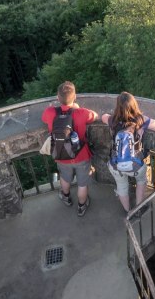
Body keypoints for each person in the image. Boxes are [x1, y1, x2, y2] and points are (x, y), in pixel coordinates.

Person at [101, 92, 155, 213]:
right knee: (141, 181)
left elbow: (103, 116)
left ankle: (128, 211)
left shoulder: (112, 120)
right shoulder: (140, 120)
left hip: (115, 165)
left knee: (122, 187)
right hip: (135, 165)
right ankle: (139, 208)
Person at [42, 81, 98, 217]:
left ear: (57, 97)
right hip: (81, 155)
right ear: (75, 97)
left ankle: (66, 197)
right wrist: (76, 107)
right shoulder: (81, 113)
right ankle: (81, 206)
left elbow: (44, 119)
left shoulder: (50, 112)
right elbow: (95, 116)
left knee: (65, 178)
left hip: (61, 154)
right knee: (82, 184)